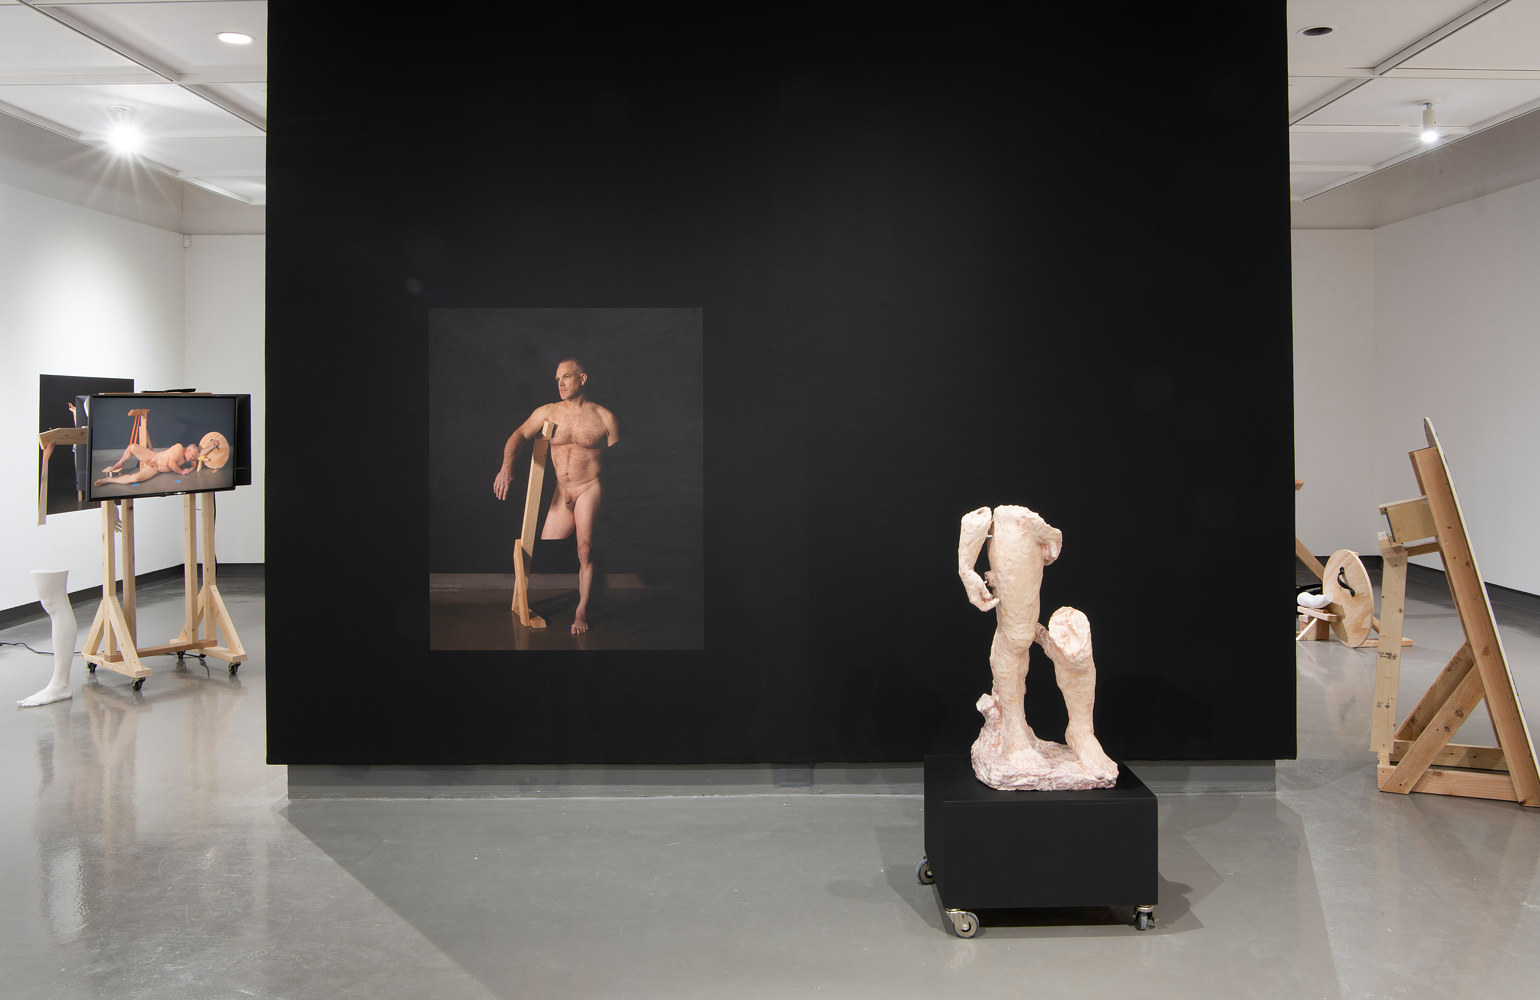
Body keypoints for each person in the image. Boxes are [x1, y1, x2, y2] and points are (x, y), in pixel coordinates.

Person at [493, 358, 620, 634]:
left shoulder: (605, 417)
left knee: (584, 550)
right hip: (561, 493)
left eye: (566, 377)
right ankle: (520, 601)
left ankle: (581, 611)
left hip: (588, 488)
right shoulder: (548, 412)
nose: (560, 383)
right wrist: (506, 467)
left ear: (582, 379)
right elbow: (519, 435)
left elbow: (622, 462)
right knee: (538, 550)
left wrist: (611, 501)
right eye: (557, 379)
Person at [95, 439, 202, 487]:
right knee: (132, 447)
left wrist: (211, 445)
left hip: (155, 469)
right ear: (188, 450)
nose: (192, 458)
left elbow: (201, 453)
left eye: (193, 457)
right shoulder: (179, 448)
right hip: (153, 458)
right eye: (192, 455)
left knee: (134, 478)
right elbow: (171, 464)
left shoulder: (185, 459)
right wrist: (182, 471)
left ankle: (108, 480)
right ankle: (120, 463)